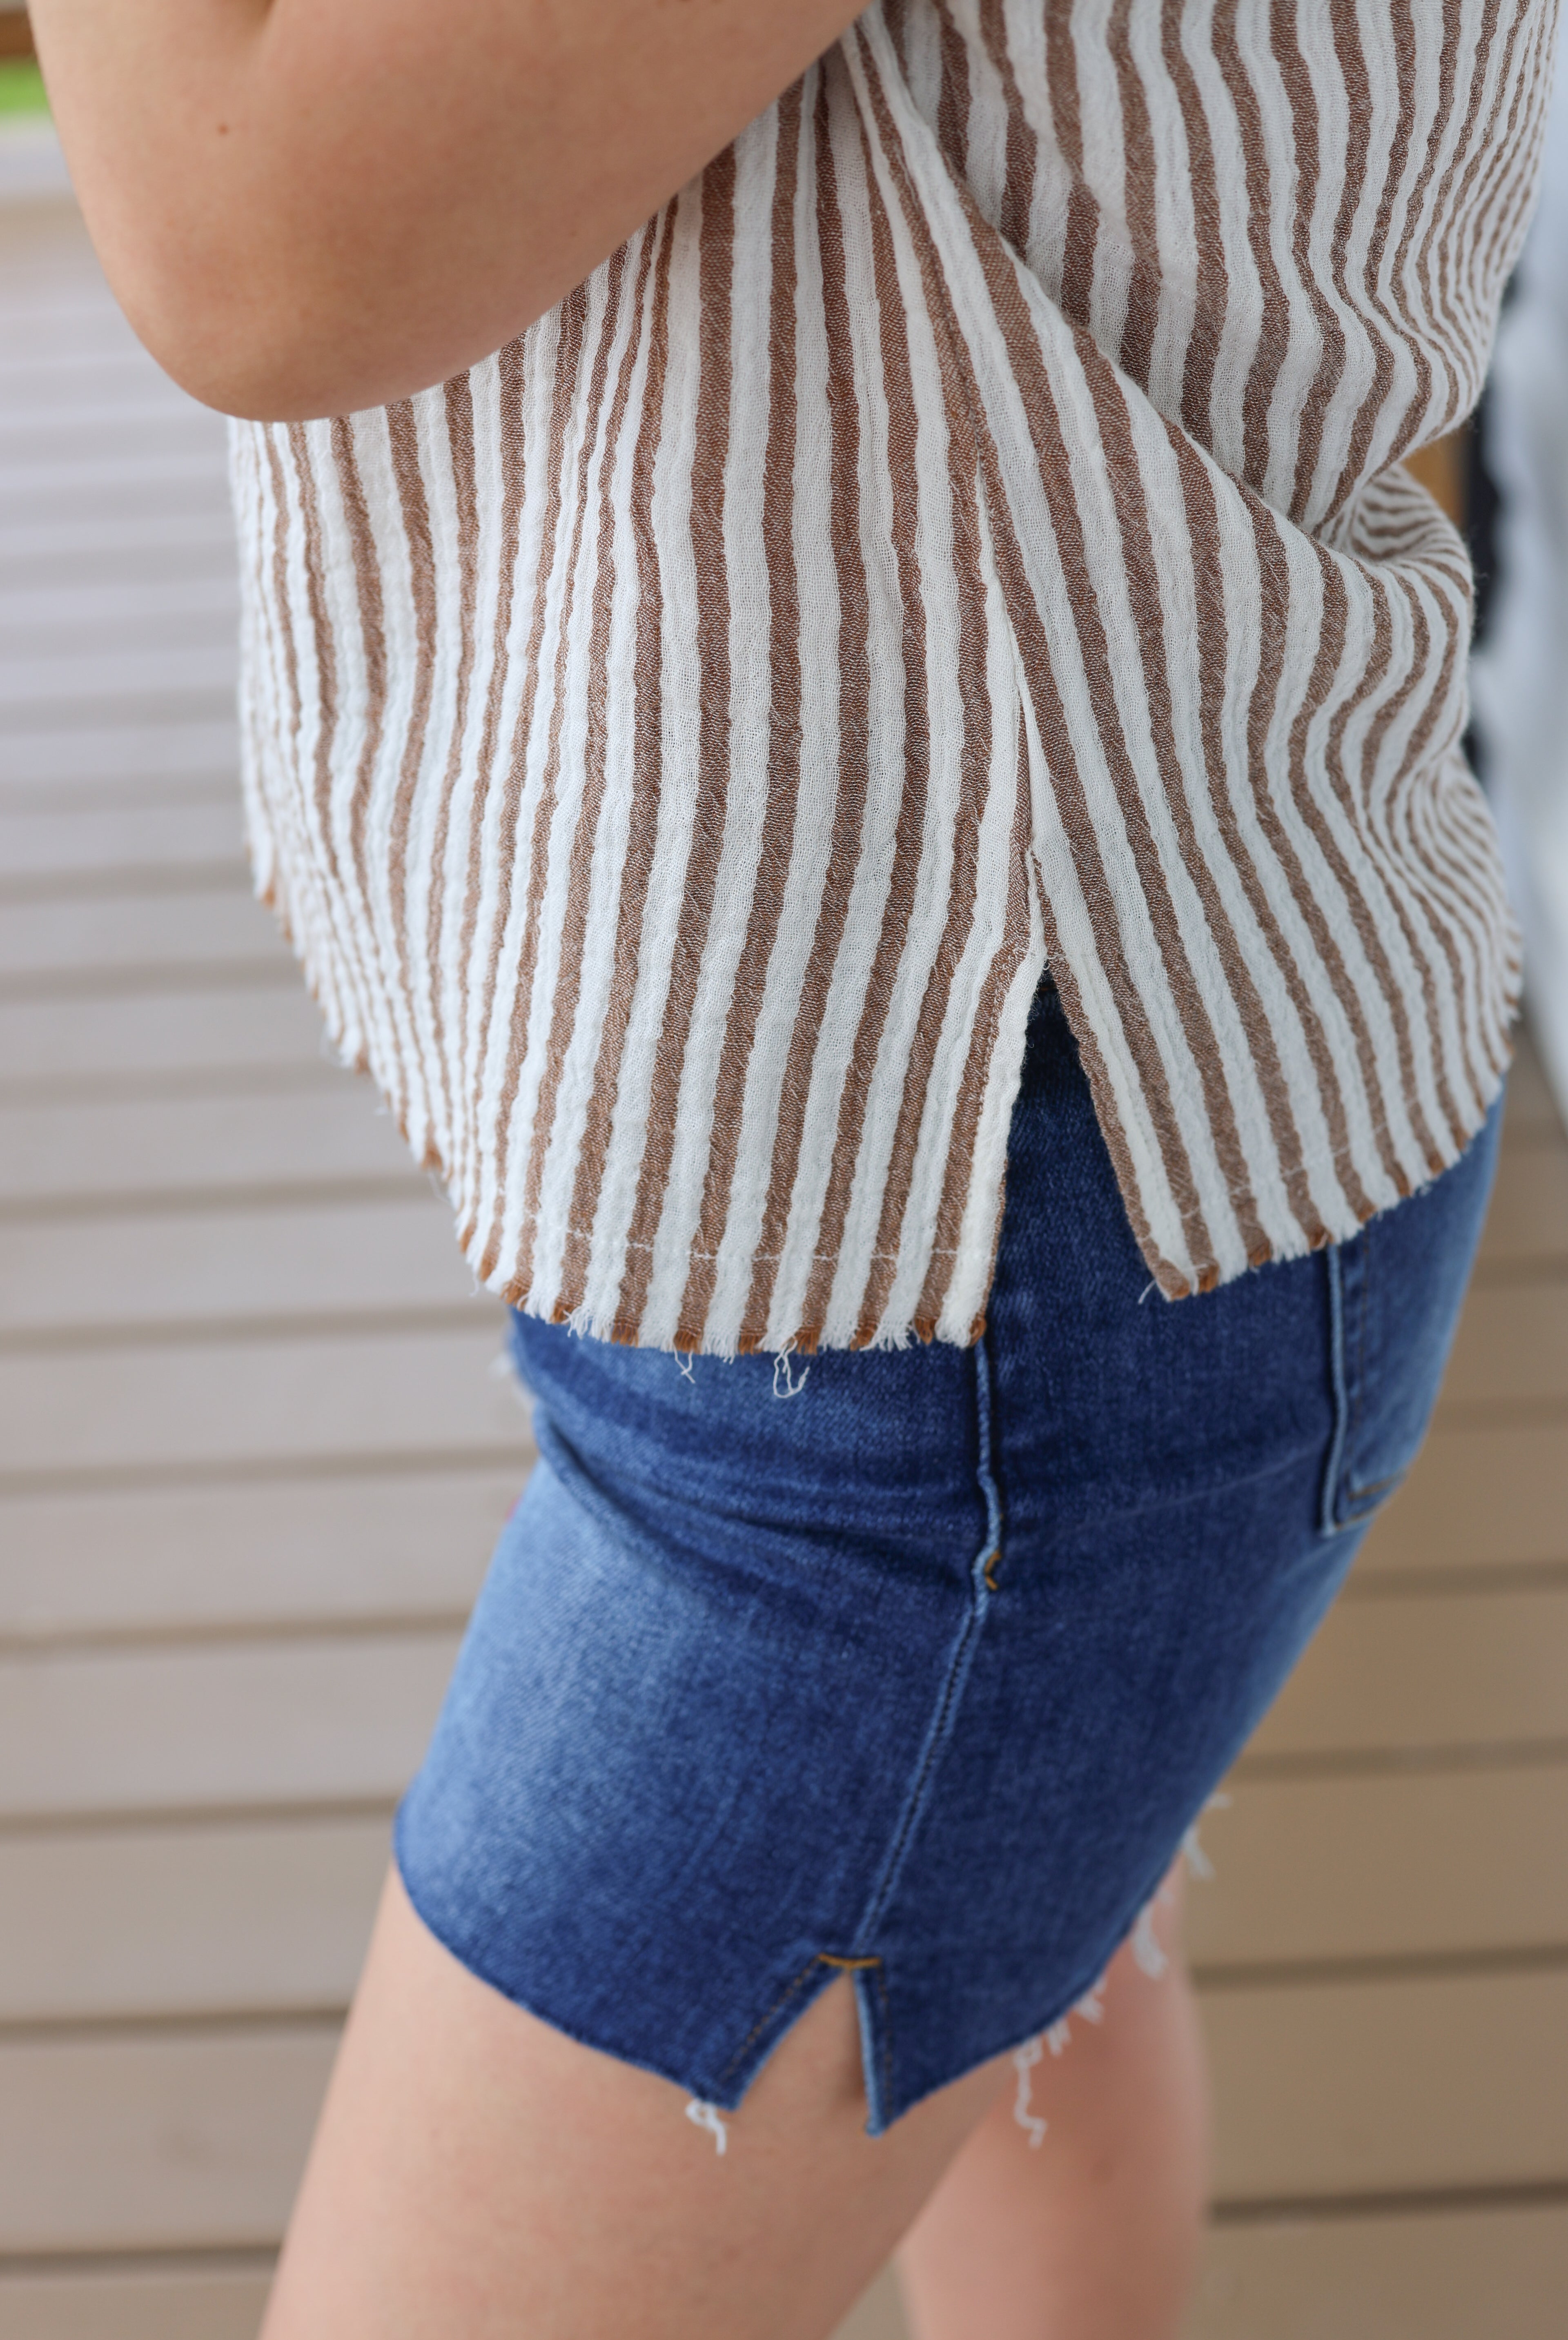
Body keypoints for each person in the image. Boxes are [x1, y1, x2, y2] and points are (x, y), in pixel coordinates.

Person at [32, 3, 1555, 2333]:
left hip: (964, 1288)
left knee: (1012, 1925)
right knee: (1031, 1976)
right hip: (980, 1126)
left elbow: (253, 233)